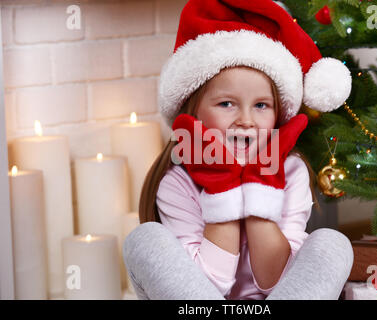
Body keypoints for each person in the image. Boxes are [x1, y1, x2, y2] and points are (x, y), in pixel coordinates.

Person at [123, 0, 354, 300]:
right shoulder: (177, 181)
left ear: (278, 115)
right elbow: (205, 285)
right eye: (226, 104)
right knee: (144, 240)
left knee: (333, 243)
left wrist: (258, 186)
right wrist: (223, 186)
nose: (245, 121)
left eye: (260, 105)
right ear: (193, 111)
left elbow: (278, 282)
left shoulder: (291, 171)